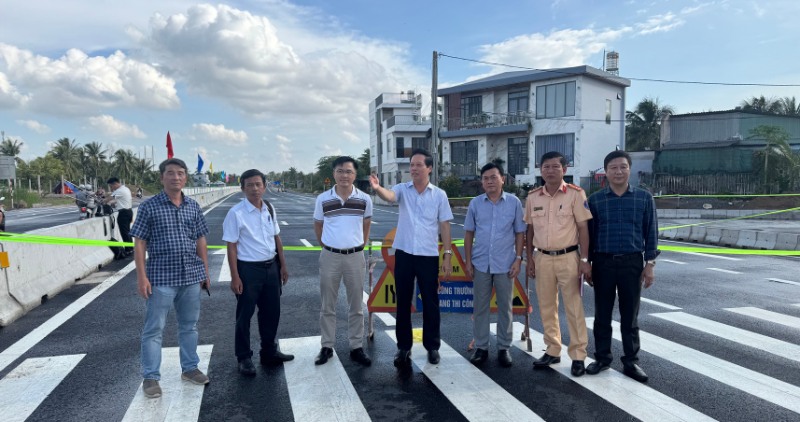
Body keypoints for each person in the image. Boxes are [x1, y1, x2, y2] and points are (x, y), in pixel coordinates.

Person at [130, 158, 211, 399]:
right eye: (171, 173)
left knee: (189, 326)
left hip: (190, 276)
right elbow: (140, 242)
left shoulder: (193, 206)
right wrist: (141, 277)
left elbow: (200, 240)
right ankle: (151, 377)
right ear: (162, 177)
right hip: (161, 277)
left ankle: (190, 368)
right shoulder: (149, 207)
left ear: (186, 177)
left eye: (180, 173)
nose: (176, 177)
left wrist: (205, 272)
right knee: (154, 329)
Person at [369, 148, 453, 368]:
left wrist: (447, 254)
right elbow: (389, 196)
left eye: (418, 165)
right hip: (404, 253)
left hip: (428, 255)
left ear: (429, 168)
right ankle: (403, 347)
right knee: (403, 302)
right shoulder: (403, 189)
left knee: (431, 302)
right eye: (411, 165)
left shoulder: (439, 194)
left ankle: (432, 347)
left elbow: (444, 225)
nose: (413, 169)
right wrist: (377, 188)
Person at [585, 150, 659, 383]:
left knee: (630, 316)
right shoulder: (595, 201)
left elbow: (651, 232)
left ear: (629, 169)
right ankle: (602, 358)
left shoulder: (644, 198)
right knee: (602, 314)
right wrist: (586, 263)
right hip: (603, 262)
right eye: (613, 168)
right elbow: (588, 235)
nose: (618, 171)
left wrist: (650, 264)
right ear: (605, 172)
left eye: (623, 167)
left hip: (632, 263)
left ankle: (631, 361)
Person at [524, 151, 592, 377]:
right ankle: (553, 349)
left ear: (565, 169)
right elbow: (530, 230)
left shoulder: (575, 194)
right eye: (546, 167)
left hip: (568, 257)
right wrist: (530, 258)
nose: (550, 170)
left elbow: (583, 228)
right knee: (546, 306)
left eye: (555, 166)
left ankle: (578, 355)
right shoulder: (533, 197)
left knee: (573, 307)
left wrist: (584, 260)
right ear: (540, 170)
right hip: (542, 257)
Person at [222, 169, 293, 376]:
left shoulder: (269, 208)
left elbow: (276, 238)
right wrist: (234, 276)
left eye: (258, 184)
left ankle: (268, 352)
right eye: (250, 185)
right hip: (248, 270)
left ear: (264, 186)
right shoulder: (236, 213)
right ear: (243, 188)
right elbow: (232, 246)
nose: (255, 188)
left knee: (271, 312)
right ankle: (244, 357)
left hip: (271, 267)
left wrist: (283, 265)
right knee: (244, 315)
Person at [463, 163, 525, 368]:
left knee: (505, 307)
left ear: (502, 179)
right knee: (480, 307)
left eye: (493, 177)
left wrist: (518, 259)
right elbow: (469, 233)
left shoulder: (514, 203)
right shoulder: (475, 204)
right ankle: (481, 347)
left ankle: (503, 347)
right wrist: (468, 261)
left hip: (506, 263)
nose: (489, 181)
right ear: (482, 182)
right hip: (480, 263)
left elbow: (519, 233)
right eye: (485, 178)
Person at [313, 156, 373, 367]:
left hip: (355, 256)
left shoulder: (365, 199)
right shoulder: (323, 199)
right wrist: (328, 246)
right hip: (330, 255)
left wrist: (359, 246)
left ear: (355, 175)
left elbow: (366, 225)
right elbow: (318, 225)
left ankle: (356, 347)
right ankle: (327, 346)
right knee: (327, 305)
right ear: (334, 174)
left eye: (348, 171)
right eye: (340, 171)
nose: (344, 175)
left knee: (356, 305)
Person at [106, 177, 133, 256]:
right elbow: (119, 201)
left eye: (111, 186)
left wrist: (102, 201)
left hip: (123, 213)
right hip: (128, 212)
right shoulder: (125, 189)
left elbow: (109, 198)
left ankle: (128, 249)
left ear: (115, 184)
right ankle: (130, 248)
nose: (111, 188)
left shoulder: (120, 190)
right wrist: (114, 204)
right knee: (127, 231)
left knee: (124, 232)